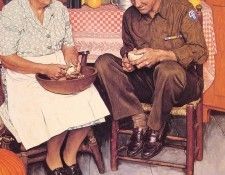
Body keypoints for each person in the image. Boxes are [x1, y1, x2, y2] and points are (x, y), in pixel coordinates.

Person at [0, 0, 109, 174]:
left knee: (87, 97)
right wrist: (44, 68)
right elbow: (6, 58)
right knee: (55, 103)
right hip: (23, 74)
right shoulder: (13, 11)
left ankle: (69, 155)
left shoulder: (59, 9)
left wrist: (71, 62)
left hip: (57, 67)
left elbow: (68, 45)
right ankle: (52, 159)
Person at [95, 0, 208, 159]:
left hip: (182, 83)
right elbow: (127, 47)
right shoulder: (130, 15)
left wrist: (161, 55)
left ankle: (156, 127)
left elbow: (200, 51)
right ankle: (138, 121)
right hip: (148, 82)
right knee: (103, 63)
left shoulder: (183, 9)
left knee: (167, 70)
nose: (137, 3)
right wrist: (129, 60)